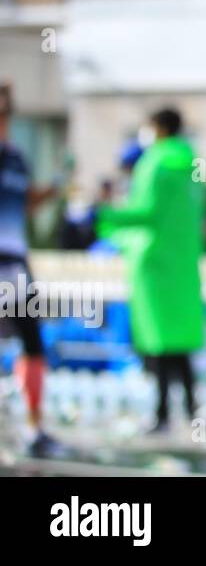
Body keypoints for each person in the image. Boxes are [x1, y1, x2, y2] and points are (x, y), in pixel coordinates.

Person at [97, 107, 206, 434]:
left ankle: (161, 416)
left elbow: (144, 211)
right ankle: (191, 412)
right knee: (182, 343)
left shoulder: (153, 163)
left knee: (159, 343)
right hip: (185, 263)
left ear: (158, 128)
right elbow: (200, 208)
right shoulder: (195, 164)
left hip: (154, 263)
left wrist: (104, 216)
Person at [0, 82, 65, 457]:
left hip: (16, 259)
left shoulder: (16, 157)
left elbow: (24, 204)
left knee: (32, 344)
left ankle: (34, 426)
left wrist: (56, 187)